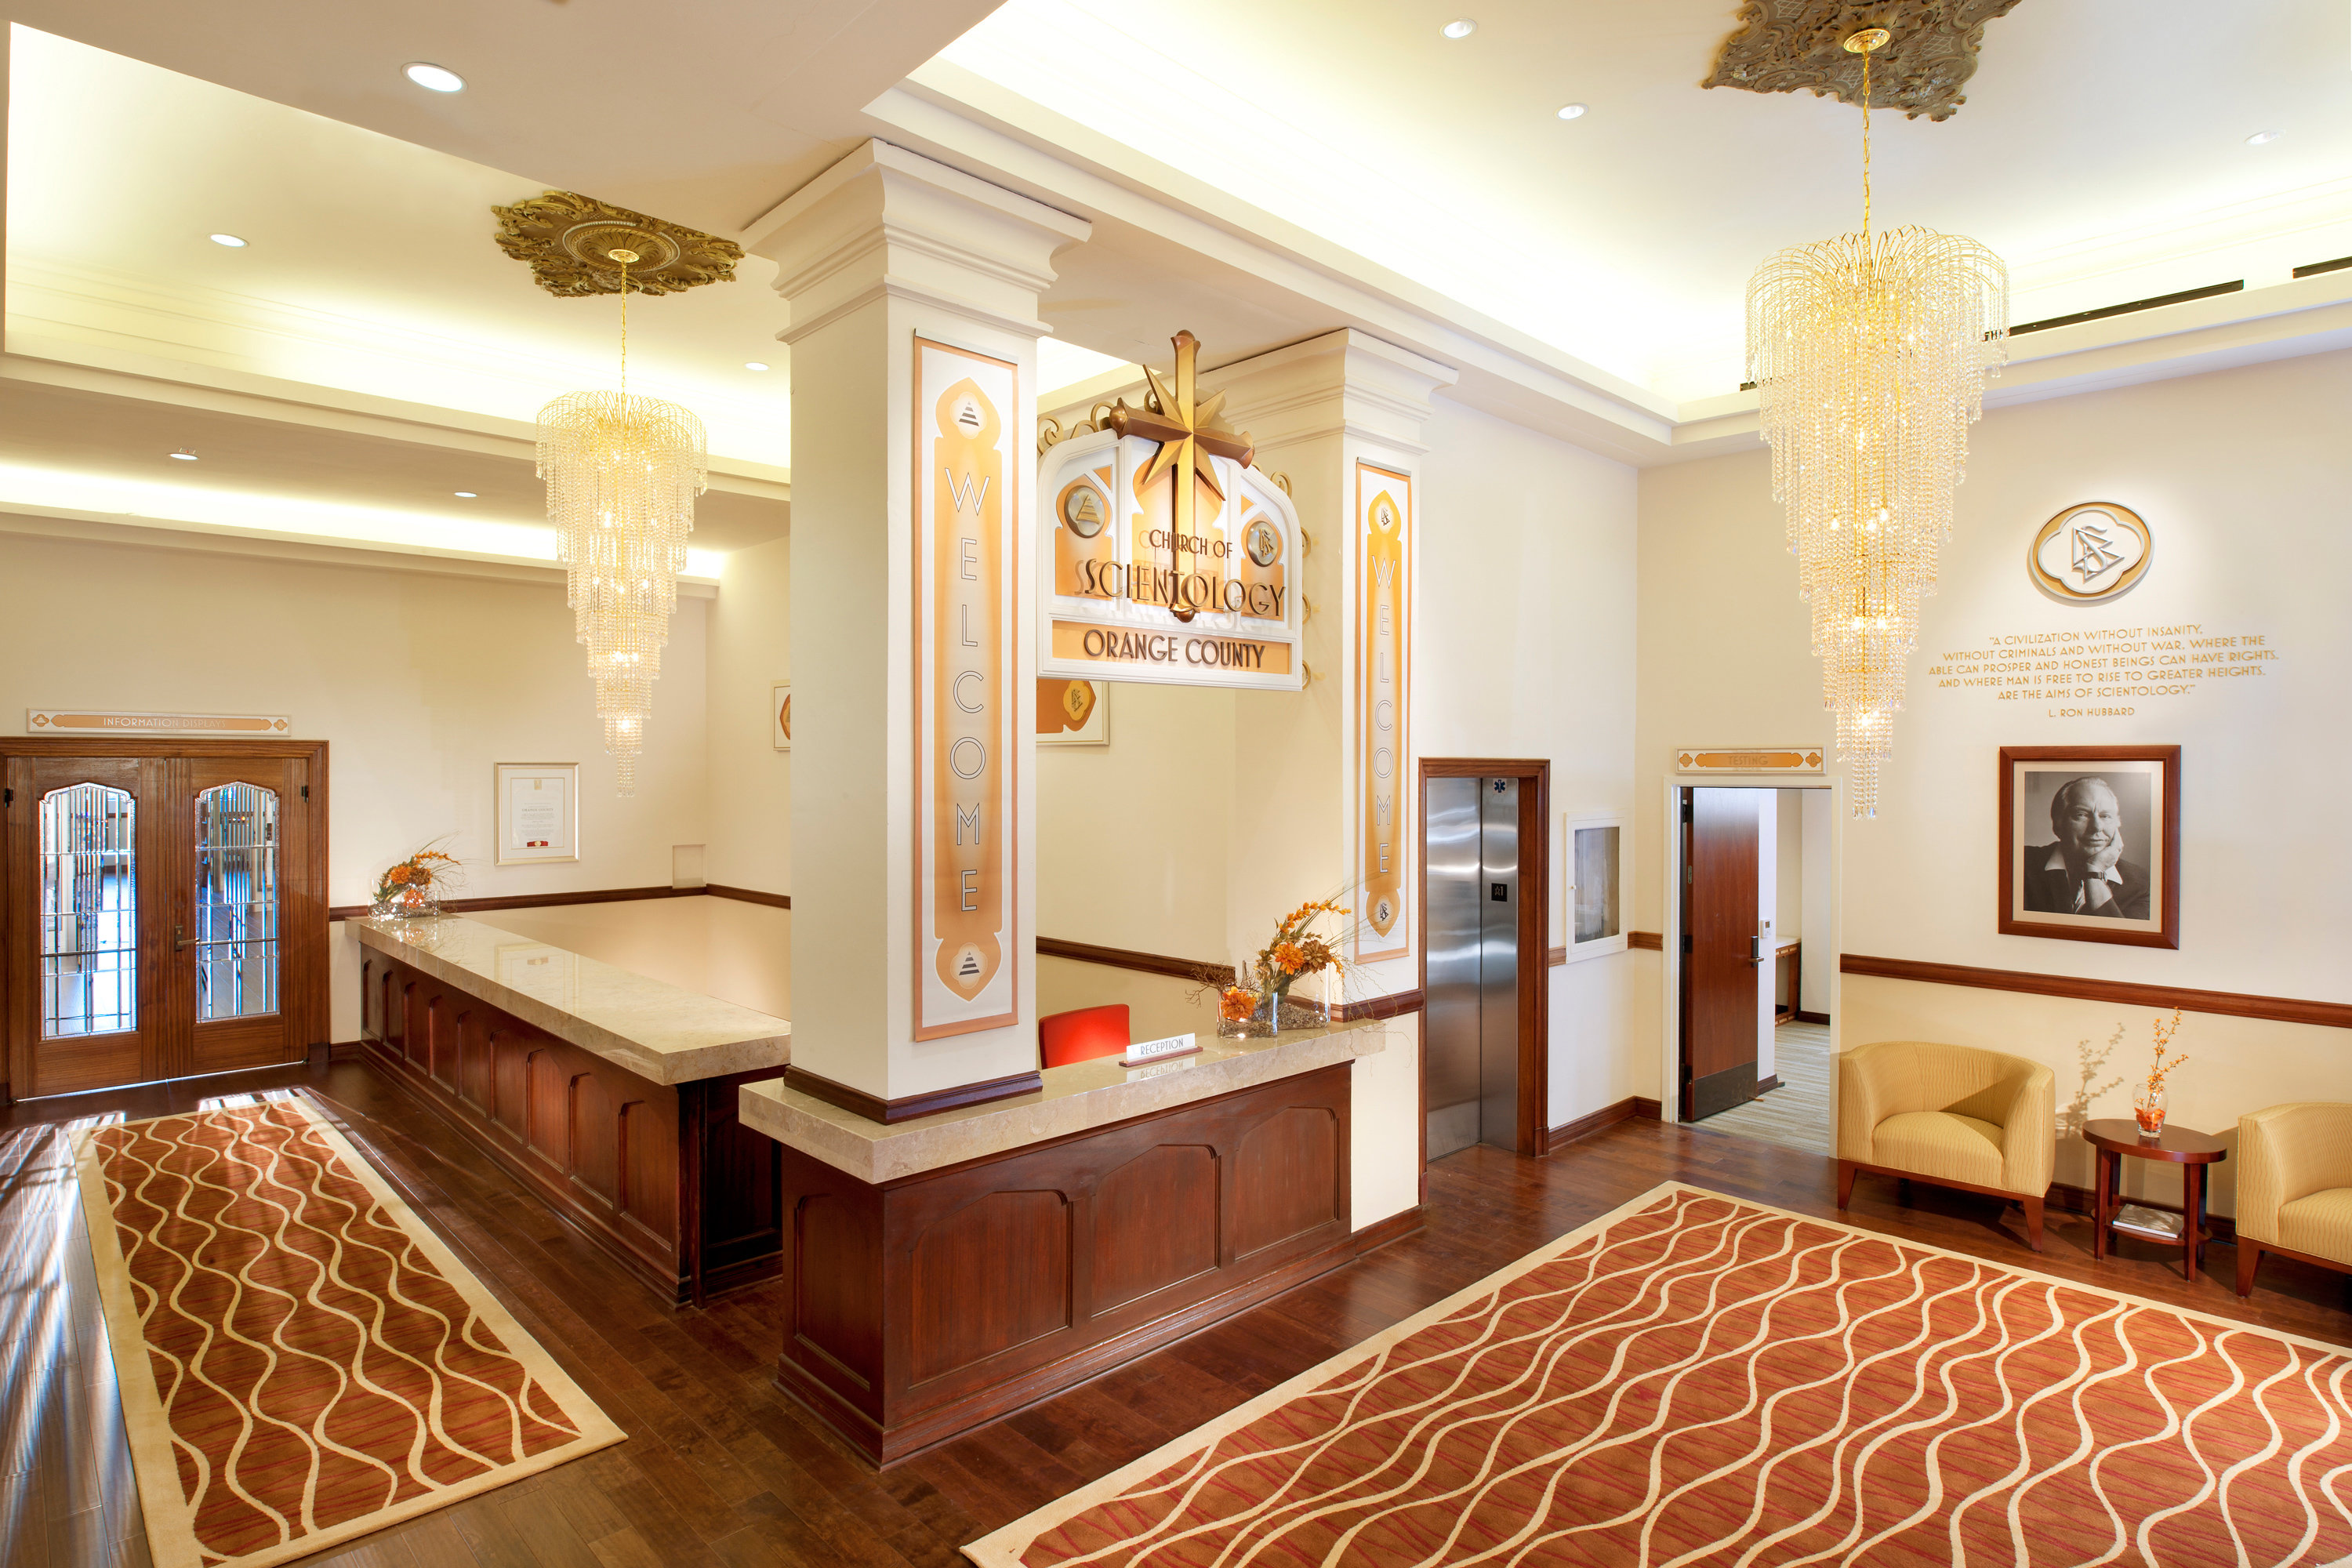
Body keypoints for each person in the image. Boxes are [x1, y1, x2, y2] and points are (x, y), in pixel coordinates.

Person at [2021, 776, 2149, 920]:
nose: (2097, 827)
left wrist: (2095, 873)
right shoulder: (2021, 862)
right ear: (2058, 825)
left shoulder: (2141, 884)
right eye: (2081, 815)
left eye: (2106, 816)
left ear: (2117, 825)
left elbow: (2121, 934)